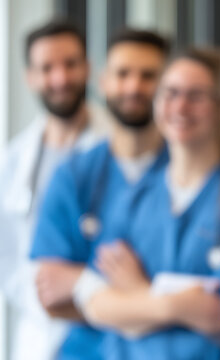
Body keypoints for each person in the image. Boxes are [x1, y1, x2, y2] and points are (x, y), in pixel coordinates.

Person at [79, 48, 220, 360]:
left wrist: (137, 301)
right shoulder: (137, 195)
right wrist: (176, 305)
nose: (180, 106)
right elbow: (96, 304)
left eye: (196, 96)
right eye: (171, 93)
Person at [29, 29, 170, 359]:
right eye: (123, 74)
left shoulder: (190, 174)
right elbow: (51, 295)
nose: (134, 87)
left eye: (148, 76)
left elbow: (214, 305)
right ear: (103, 80)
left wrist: (82, 282)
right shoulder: (74, 175)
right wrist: (164, 306)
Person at [0, 20, 108, 360]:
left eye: (70, 64)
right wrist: (49, 301)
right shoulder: (13, 163)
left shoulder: (115, 149)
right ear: (29, 76)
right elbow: (8, 263)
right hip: (38, 337)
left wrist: (86, 296)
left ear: (88, 68)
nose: (61, 78)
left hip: (108, 333)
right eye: (47, 68)